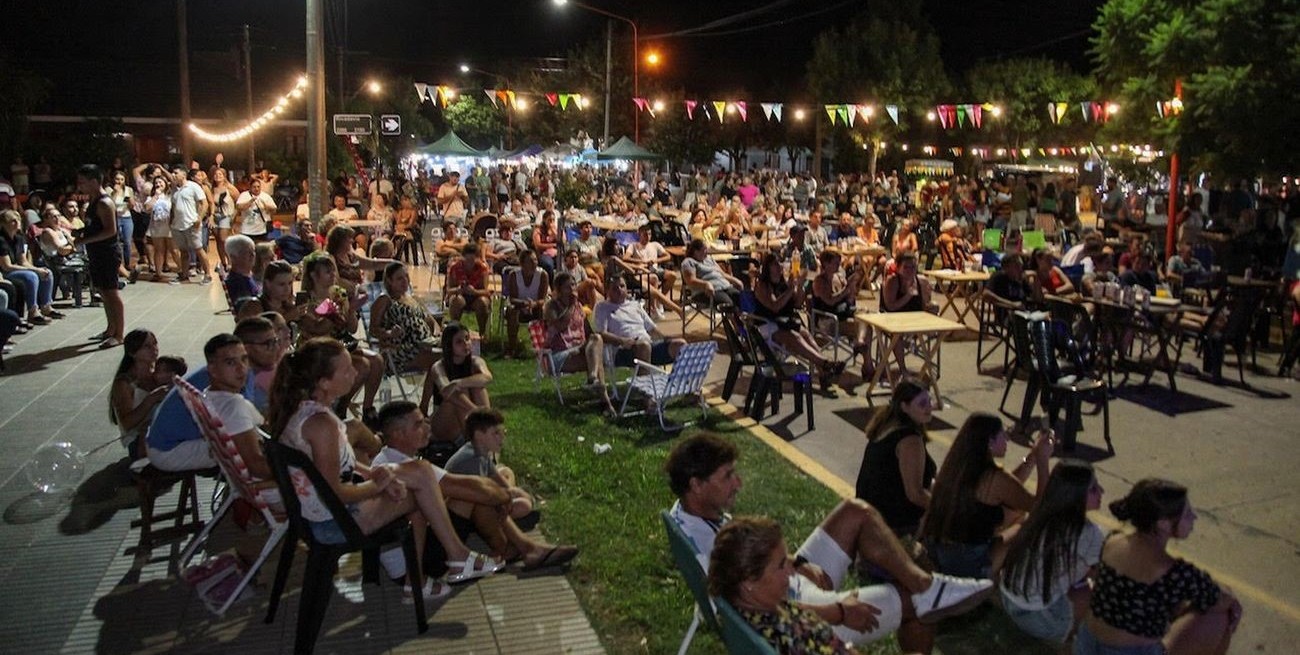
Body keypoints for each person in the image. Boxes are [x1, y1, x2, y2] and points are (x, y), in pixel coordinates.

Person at [669, 434, 993, 654]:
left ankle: (928, 584)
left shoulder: (695, 515)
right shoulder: (705, 549)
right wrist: (837, 612)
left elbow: (751, 568)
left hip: (789, 585)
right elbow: (747, 614)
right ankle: (929, 592)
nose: (738, 482)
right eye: (727, 476)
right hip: (808, 613)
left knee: (856, 512)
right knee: (917, 604)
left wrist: (796, 564)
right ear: (696, 485)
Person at [266, 337, 503, 592]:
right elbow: (335, 492)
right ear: (324, 382)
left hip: (318, 511)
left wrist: (374, 473)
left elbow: (337, 465)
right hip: (330, 522)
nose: (355, 373)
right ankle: (437, 567)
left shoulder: (304, 412)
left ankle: (437, 567)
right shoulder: (320, 425)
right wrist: (378, 485)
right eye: (347, 370)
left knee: (418, 476)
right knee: (419, 483)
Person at [371, 403, 576, 593]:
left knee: (475, 493)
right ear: (398, 434)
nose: (427, 426)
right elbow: (470, 488)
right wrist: (503, 497)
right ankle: (522, 549)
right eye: (418, 424)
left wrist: (499, 495)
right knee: (472, 496)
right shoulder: (400, 467)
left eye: (425, 420)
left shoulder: (394, 459)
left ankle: (519, 549)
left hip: (412, 547)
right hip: (410, 562)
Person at [1077, 479, 1242, 655]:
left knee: (1182, 604)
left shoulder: (1112, 540)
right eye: (1186, 514)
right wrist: (1231, 601)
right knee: (1220, 617)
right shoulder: (1173, 570)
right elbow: (1219, 599)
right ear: (1162, 523)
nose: (1194, 517)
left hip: (1087, 645)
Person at [918, 413, 1054, 578]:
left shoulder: (958, 467)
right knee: (1029, 522)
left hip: (938, 552)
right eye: (1002, 435)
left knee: (1015, 513)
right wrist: (1042, 460)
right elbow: (1042, 507)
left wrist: (1032, 456)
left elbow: (1011, 488)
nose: (1007, 439)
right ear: (989, 442)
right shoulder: (993, 477)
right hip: (969, 563)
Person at [999, 460, 1105, 645]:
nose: (1102, 492)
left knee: (1075, 572)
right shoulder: (1088, 532)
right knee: (1092, 592)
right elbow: (1102, 576)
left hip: (1009, 600)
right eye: (1094, 489)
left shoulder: (1041, 513)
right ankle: (1072, 639)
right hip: (1039, 618)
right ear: (1076, 495)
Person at [297, 255, 384, 422]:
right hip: (318, 350)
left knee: (377, 361)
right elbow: (318, 329)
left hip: (340, 344)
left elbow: (351, 328)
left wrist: (351, 310)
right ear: (314, 276)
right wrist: (335, 311)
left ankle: (367, 408)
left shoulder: (338, 294)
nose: (333, 275)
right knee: (362, 366)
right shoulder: (306, 299)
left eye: (333, 271)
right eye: (327, 272)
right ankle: (340, 407)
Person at [855, 379, 936, 536]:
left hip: (870, 518)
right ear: (904, 407)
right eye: (922, 403)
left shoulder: (887, 426)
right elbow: (915, 494)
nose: (929, 407)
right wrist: (946, 510)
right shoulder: (910, 440)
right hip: (895, 527)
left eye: (929, 401)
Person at [754, 253, 844, 388]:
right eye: (775, 264)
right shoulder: (763, 285)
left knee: (806, 334)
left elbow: (797, 303)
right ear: (767, 267)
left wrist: (800, 286)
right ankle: (824, 363)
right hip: (766, 325)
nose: (779, 266)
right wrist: (790, 289)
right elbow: (774, 306)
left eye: (780, 263)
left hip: (785, 322)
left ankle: (823, 371)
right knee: (795, 337)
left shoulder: (783, 282)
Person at [370, 262, 443, 411]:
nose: (405, 281)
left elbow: (429, 319)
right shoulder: (384, 300)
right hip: (398, 352)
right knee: (443, 361)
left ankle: (436, 406)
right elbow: (373, 330)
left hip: (424, 345)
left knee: (453, 353)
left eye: (406, 277)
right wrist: (390, 333)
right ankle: (428, 407)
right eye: (399, 278)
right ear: (389, 281)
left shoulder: (409, 297)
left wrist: (437, 331)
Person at [544, 271, 616, 415]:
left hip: (579, 349)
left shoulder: (578, 306)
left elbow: (588, 331)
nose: (572, 290)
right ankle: (605, 402)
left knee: (596, 341)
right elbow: (560, 326)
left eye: (573, 285)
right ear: (558, 290)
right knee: (596, 358)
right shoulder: (551, 306)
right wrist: (571, 306)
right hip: (560, 354)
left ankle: (594, 379)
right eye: (567, 287)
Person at [594, 274, 686, 373]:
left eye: (622, 286)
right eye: (615, 288)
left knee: (680, 344)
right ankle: (643, 385)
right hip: (624, 350)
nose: (619, 290)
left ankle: (679, 382)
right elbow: (601, 334)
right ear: (607, 291)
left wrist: (665, 338)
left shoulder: (635, 305)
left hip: (648, 344)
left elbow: (651, 329)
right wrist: (622, 341)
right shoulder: (602, 307)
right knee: (644, 346)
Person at [76, 165, 125, 348]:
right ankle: (110, 328)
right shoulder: (93, 200)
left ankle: (119, 334)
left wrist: (85, 240)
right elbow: (95, 226)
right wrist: (82, 232)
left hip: (107, 252)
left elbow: (110, 231)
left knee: (111, 292)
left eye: (83, 182)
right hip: (96, 252)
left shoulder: (104, 202)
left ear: (95, 181)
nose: (80, 186)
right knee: (103, 292)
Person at [110, 329, 169, 458]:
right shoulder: (124, 383)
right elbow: (127, 424)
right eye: (147, 346)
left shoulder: (158, 373)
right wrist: (151, 399)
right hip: (138, 439)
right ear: (133, 352)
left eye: (155, 344)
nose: (154, 349)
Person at [427, 323, 492, 439]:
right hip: (444, 423)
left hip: (468, 419)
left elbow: (487, 377)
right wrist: (476, 411)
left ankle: (483, 433)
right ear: (449, 345)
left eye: (467, 339)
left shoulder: (475, 362)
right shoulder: (438, 367)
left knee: (478, 386)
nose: (465, 344)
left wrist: (459, 382)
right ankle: (481, 429)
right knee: (459, 393)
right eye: (459, 342)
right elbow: (446, 391)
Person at [0, 210, 60, 326]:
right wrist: (34, 271)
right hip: (6, 272)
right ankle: (33, 311)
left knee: (47, 273)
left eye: (18, 220)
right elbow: (7, 266)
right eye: (12, 221)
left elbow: (23, 261)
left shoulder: (19, 238)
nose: (17, 223)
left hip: (17, 268)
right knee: (31, 276)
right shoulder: (1, 241)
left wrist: (37, 269)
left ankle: (46, 306)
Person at [169, 166, 212, 285]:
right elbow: (173, 207)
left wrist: (199, 217)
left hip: (191, 223)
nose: (173, 174)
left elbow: (204, 203)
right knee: (183, 251)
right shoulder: (175, 189)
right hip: (178, 225)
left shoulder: (193, 186)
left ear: (183, 175)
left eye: (176, 172)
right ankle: (184, 275)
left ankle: (208, 274)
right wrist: (171, 221)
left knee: (198, 249)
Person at [502, 249, 549, 359]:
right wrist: (524, 303)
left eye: (535, 260)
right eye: (530, 261)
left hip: (536, 307)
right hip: (519, 306)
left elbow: (543, 298)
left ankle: (542, 347)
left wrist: (534, 304)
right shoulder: (514, 275)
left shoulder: (542, 275)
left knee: (545, 310)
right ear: (522, 264)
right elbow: (512, 298)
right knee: (512, 311)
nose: (534, 264)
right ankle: (512, 347)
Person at [681, 238, 744, 310]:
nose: (706, 252)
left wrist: (735, 280)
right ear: (696, 251)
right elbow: (691, 281)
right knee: (728, 305)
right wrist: (706, 284)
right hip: (706, 291)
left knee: (741, 300)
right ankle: (734, 320)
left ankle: (745, 320)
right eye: (704, 250)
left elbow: (722, 274)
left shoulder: (709, 259)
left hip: (724, 286)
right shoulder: (689, 262)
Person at [446, 243, 491, 332]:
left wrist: (474, 292)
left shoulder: (482, 269)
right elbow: (449, 290)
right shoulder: (455, 268)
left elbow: (486, 291)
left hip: (476, 296)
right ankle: (454, 331)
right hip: (459, 295)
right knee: (456, 300)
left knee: (483, 302)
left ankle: (482, 333)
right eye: (467, 260)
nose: (470, 263)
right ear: (463, 257)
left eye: (473, 260)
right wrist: (458, 289)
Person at [223, 234, 260, 306]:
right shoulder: (238, 284)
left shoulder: (246, 276)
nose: (253, 255)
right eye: (247, 252)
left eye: (253, 251)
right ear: (233, 257)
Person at [235, 177, 275, 242]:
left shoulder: (265, 196)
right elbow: (239, 207)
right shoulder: (244, 195)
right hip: (247, 230)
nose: (256, 189)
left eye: (258, 187)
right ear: (250, 187)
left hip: (262, 230)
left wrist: (265, 205)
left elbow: (274, 209)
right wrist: (250, 202)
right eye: (254, 187)